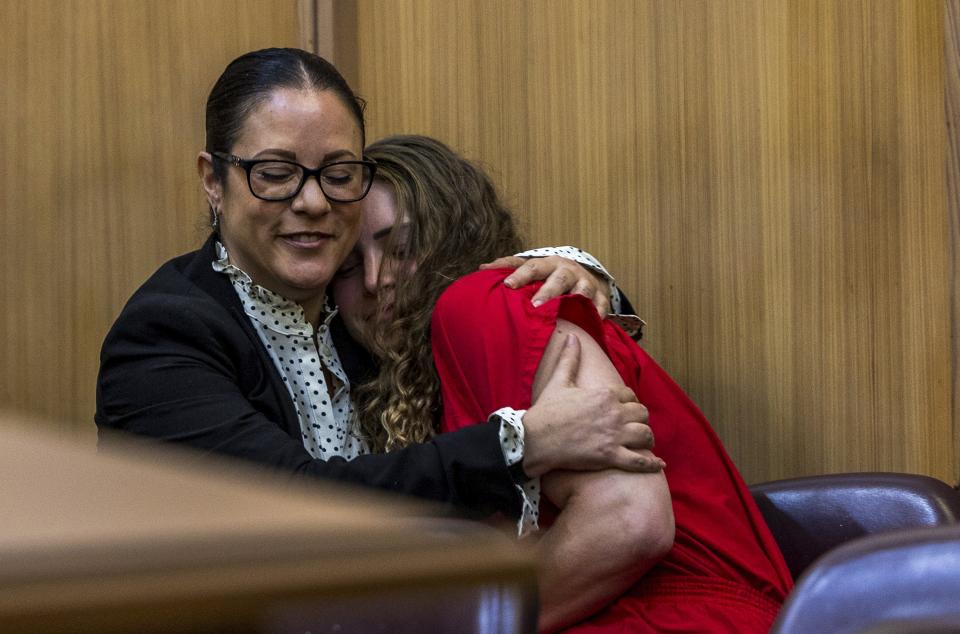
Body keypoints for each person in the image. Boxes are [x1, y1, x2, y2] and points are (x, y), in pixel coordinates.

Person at [95, 48, 661, 527]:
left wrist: (577, 272)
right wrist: (518, 444)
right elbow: (293, 504)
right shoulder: (165, 332)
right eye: (274, 173)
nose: (313, 201)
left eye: (339, 175)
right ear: (213, 180)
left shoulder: (358, 310)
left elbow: (476, 294)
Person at [329, 135, 794, 632]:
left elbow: (628, 521)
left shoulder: (479, 303)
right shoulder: (398, 392)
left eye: (400, 248)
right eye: (350, 267)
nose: (377, 281)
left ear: (451, 239)